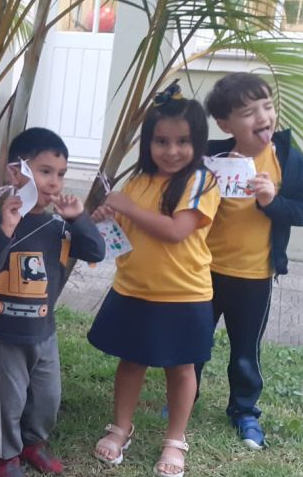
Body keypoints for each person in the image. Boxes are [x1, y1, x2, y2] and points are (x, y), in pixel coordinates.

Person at [87, 83, 219, 477]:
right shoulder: (138, 181)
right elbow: (125, 231)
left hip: (184, 294)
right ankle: (120, 427)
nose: (172, 150)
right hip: (133, 289)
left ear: (198, 142)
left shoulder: (202, 182)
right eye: (161, 141)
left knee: (181, 368)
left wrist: (127, 207)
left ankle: (175, 440)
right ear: (148, 143)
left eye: (183, 141)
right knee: (131, 362)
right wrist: (108, 217)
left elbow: (176, 231)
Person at [0, 128, 106, 477]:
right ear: (15, 172)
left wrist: (78, 218)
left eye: (60, 174)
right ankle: (5, 455)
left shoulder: (58, 226)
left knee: (48, 396)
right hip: (4, 332)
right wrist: (6, 229)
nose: (54, 182)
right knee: (9, 401)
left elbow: (96, 252)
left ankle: (33, 443)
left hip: (43, 331)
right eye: (45, 171)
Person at [196, 72, 303, 450]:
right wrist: (213, 181)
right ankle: (184, 396)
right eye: (249, 112)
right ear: (226, 124)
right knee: (194, 341)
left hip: (254, 275)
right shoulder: (212, 158)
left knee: (246, 350)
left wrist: (271, 201)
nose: (263, 117)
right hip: (202, 271)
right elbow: (188, 204)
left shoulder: (288, 159)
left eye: (267, 106)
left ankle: (244, 409)